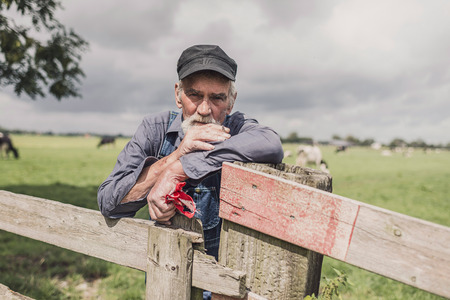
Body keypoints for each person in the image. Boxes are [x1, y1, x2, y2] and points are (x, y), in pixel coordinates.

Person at [97, 45, 284, 261]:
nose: (204, 110)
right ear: (178, 95)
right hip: (164, 276)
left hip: (221, 285)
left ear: (231, 102)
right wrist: (176, 156)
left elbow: (271, 143)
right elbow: (109, 203)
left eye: (217, 98)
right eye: (194, 95)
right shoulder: (155, 129)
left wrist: (180, 169)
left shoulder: (238, 128)